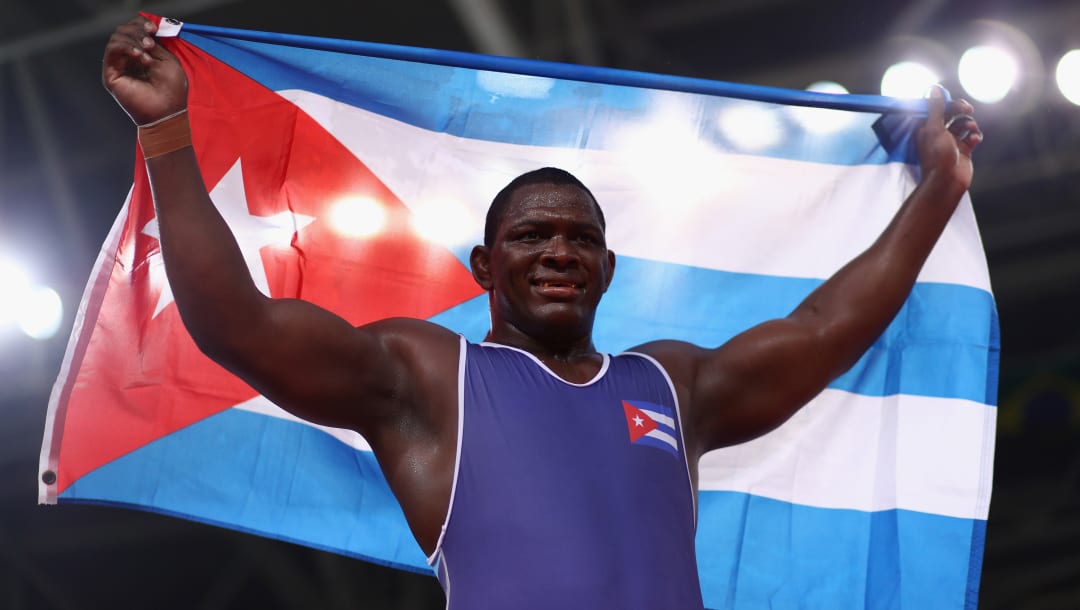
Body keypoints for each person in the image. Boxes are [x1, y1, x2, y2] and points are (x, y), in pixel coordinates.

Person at [103, 15, 982, 610]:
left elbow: (827, 329)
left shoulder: (672, 385)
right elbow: (238, 325)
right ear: (486, 266)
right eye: (532, 237)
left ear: (607, 267)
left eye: (579, 239)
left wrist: (938, 189)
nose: (558, 252)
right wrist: (167, 135)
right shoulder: (429, 379)